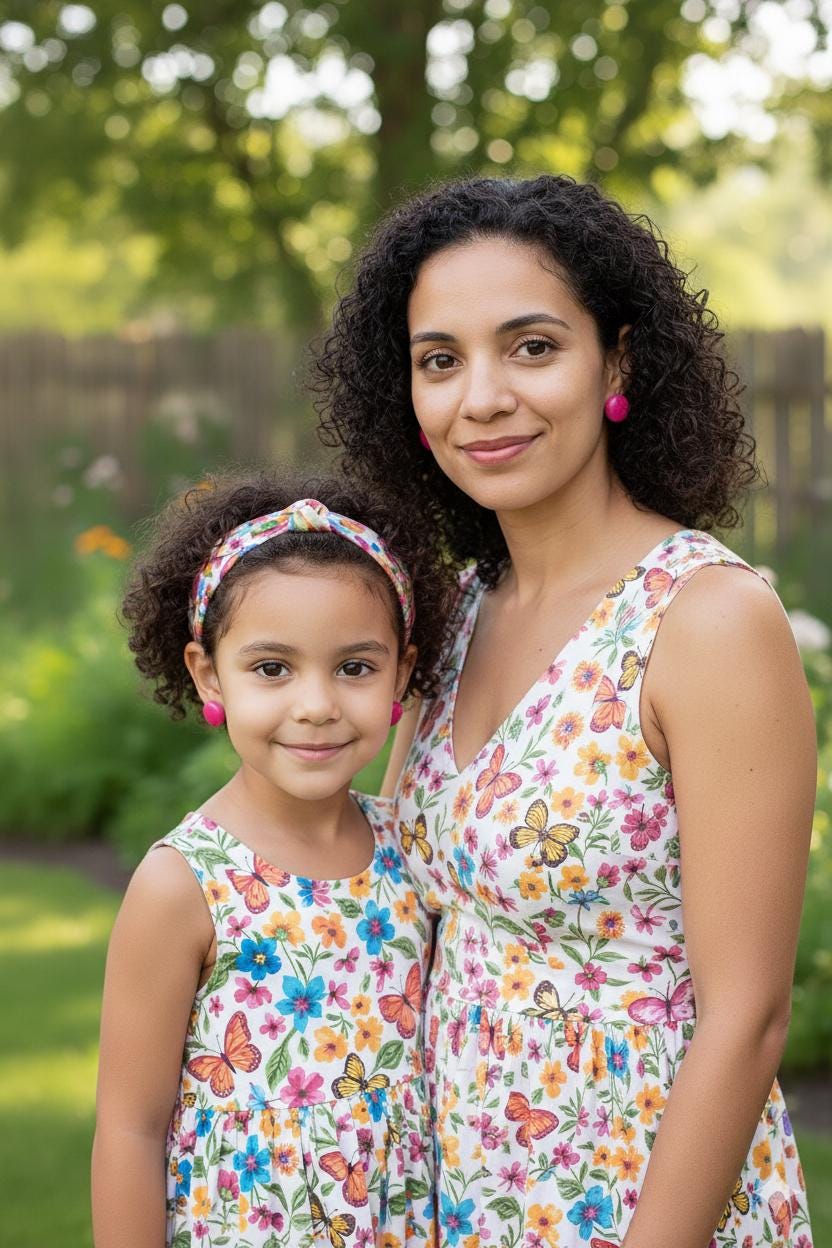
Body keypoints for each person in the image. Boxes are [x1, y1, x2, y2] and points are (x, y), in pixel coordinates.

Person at [312, 176, 817, 1247]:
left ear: (617, 362)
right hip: (468, 1192)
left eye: (531, 346)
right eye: (439, 360)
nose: (480, 397)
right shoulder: (452, 620)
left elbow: (747, 1019)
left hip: (645, 1203)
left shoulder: (706, 620)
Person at [92, 472, 458, 1248]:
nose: (317, 704)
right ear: (207, 673)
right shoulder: (183, 882)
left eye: (355, 666)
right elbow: (129, 1128)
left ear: (402, 673)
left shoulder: (412, 850)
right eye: (273, 668)